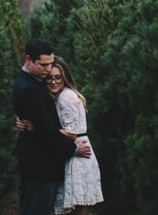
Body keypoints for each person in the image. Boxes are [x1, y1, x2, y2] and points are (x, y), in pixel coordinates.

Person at [13, 38, 92, 215]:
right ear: (28, 59)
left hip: (41, 162)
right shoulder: (31, 88)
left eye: (50, 64)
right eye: (43, 65)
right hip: (39, 166)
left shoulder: (33, 82)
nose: (48, 69)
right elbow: (47, 132)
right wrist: (73, 149)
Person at [47, 56, 104, 215]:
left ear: (65, 77)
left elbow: (71, 134)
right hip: (74, 149)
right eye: (49, 78)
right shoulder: (60, 96)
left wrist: (42, 130)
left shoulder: (67, 98)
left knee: (78, 205)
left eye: (58, 77)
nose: (53, 81)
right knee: (75, 205)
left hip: (78, 152)